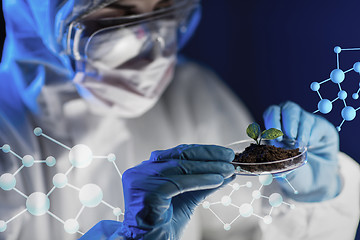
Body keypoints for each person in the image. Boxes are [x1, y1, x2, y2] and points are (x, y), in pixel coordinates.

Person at [0, 0, 359, 239]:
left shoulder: (193, 93)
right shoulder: (8, 137)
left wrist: (312, 201)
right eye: (114, 17)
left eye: (165, 9)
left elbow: (248, 229)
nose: (154, 50)